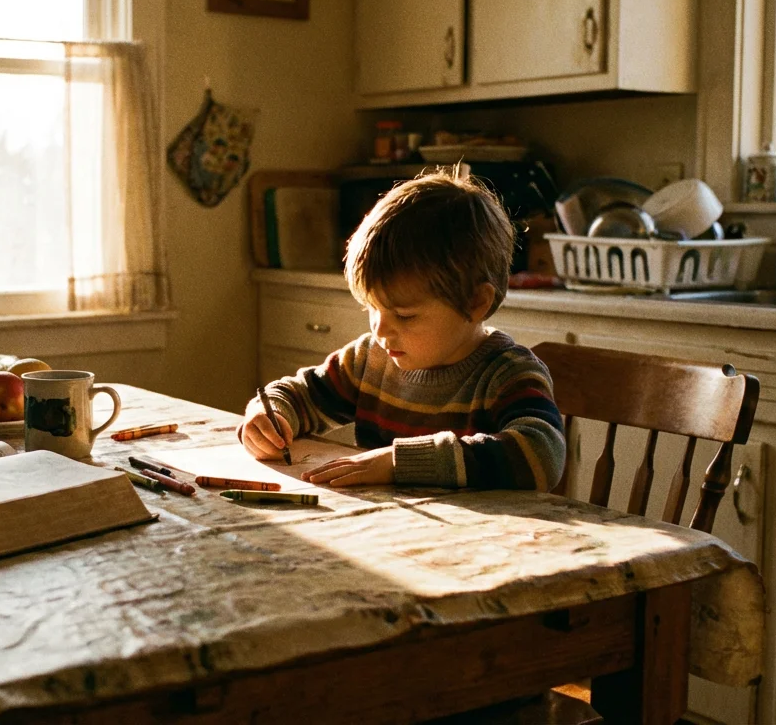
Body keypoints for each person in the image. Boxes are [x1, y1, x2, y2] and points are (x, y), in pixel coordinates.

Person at [238, 171, 565, 491]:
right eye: (372, 309)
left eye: (405, 316)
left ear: (475, 303)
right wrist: (270, 417)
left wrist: (399, 463)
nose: (381, 329)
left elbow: (542, 456)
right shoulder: (370, 360)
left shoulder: (507, 375)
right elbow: (298, 394)